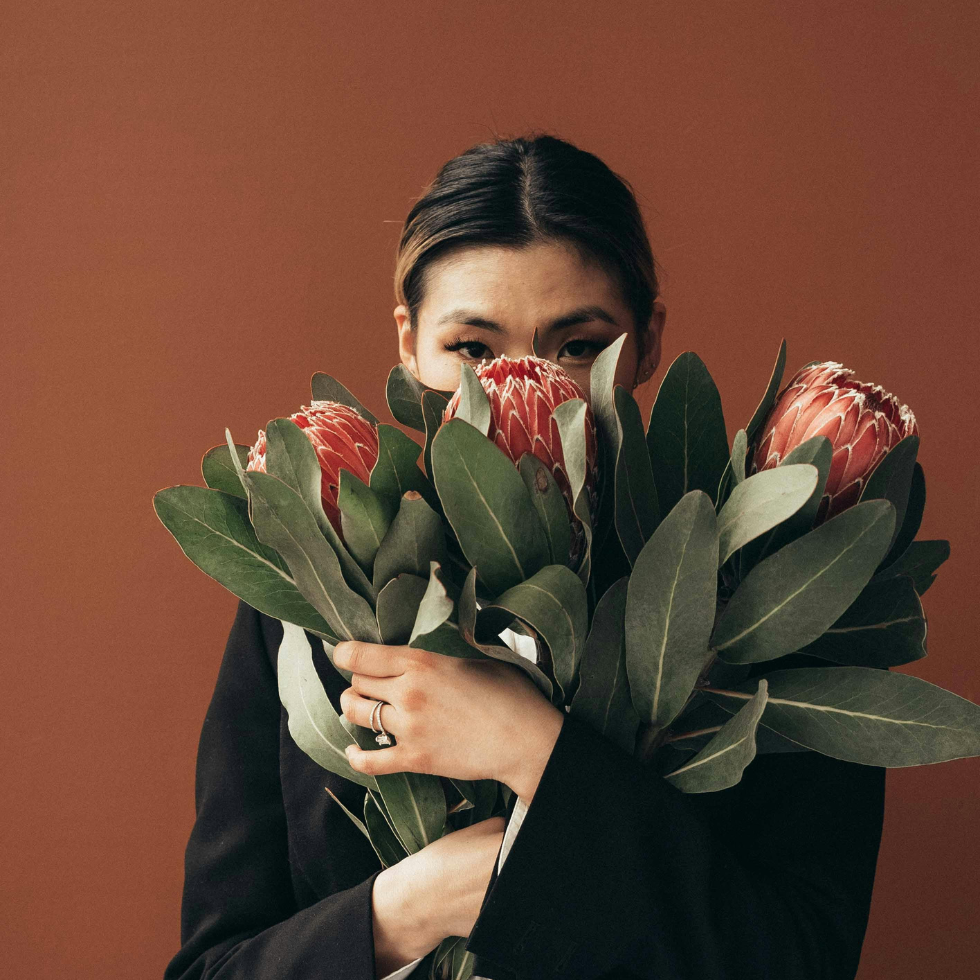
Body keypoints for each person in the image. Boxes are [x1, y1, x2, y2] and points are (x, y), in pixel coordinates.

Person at [163, 133, 886, 980]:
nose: (516, 386)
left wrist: (537, 754)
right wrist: (408, 908)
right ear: (409, 342)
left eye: (577, 346)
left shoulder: (771, 598)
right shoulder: (302, 604)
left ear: (648, 342)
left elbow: (798, 960)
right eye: (470, 349)